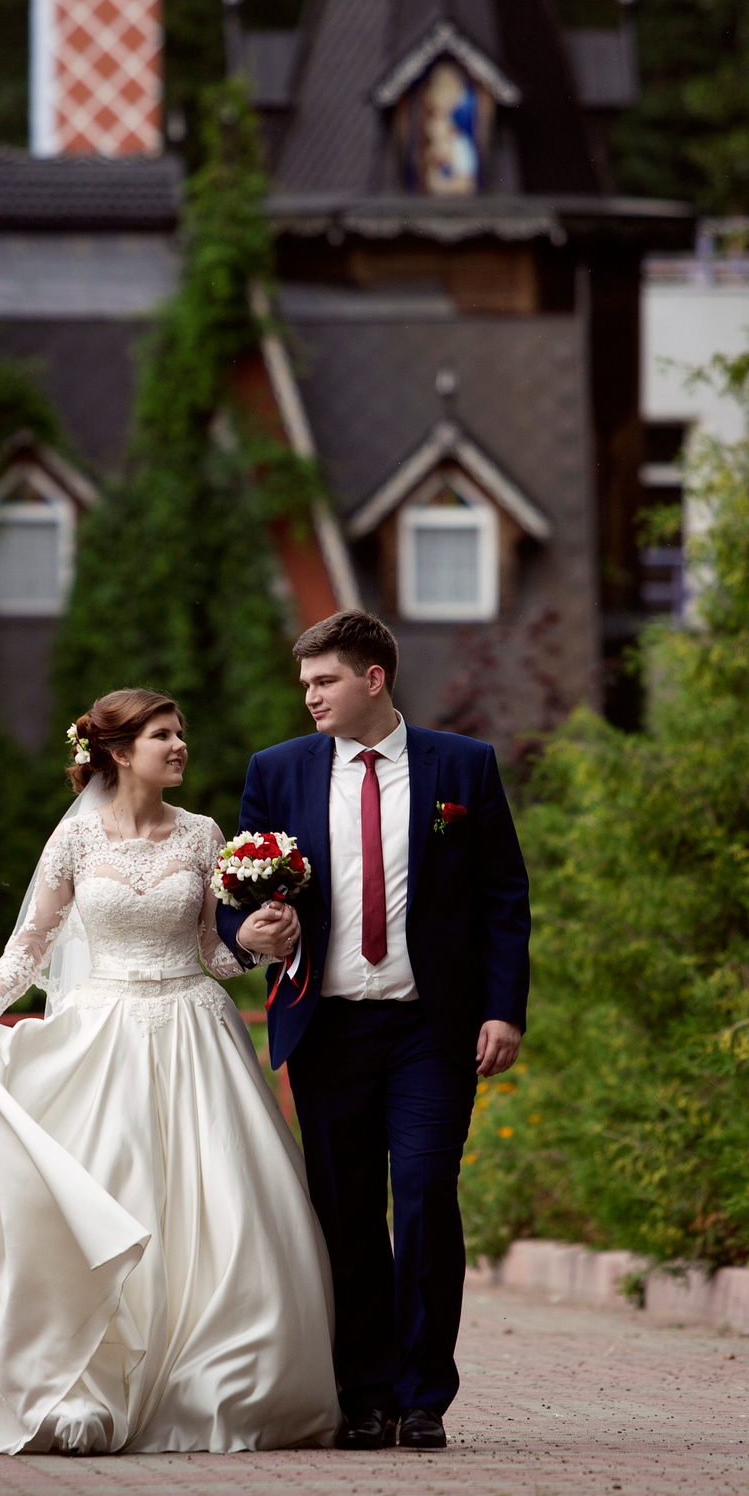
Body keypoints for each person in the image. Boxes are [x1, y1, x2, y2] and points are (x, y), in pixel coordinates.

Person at [0, 689, 338, 1456]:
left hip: (194, 1030)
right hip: (104, 1031)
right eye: (163, 735)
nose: (180, 745)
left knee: (220, 1202)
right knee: (107, 1200)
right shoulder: (75, 840)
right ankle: (84, 1383)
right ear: (120, 752)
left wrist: (261, 943)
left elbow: (212, 954)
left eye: (181, 733)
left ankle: (216, 1380)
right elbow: (32, 940)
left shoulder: (202, 835)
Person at [216, 610, 529, 1450]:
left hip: (433, 1027)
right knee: (346, 1214)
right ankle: (365, 1395)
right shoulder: (276, 770)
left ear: (374, 679)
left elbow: (503, 897)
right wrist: (252, 930)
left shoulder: (462, 766)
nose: (310, 697)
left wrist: (504, 1009)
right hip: (327, 1027)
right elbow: (235, 894)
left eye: (325, 681)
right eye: (306, 683)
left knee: (425, 1197)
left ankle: (424, 1396)